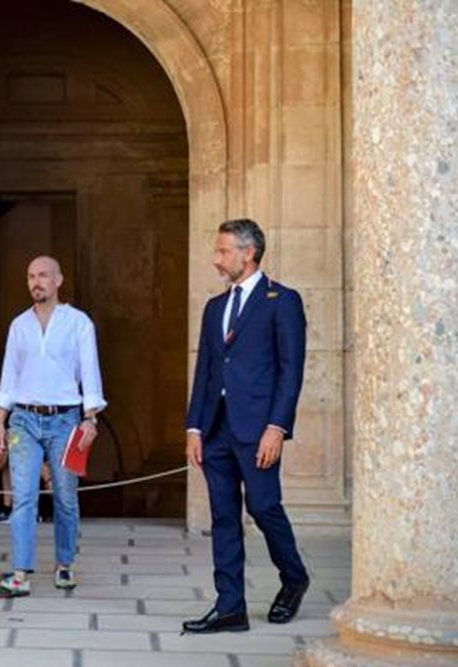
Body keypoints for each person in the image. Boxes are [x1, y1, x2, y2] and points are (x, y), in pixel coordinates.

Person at [183, 218, 310, 634]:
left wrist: (277, 427)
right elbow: (205, 370)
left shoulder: (281, 301)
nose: (216, 259)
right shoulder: (214, 307)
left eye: (222, 251)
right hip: (216, 429)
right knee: (223, 516)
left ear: (247, 253)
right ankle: (230, 607)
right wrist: (193, 428)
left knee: (263, 506)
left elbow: (290, 371)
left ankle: (293, 579)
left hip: (258, 428)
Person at [0, 256, 106, 597]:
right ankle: (21, 573)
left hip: (66, 419)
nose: (35, 282)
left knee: (65, 497)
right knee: (23, 498)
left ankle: (64, 564)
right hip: (23, 419)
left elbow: (90, 372)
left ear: (58, 280)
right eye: (30, 276)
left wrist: (91, 418)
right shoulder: (19, 325)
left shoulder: (78, 323)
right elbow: (9, 376)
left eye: (42, 275)